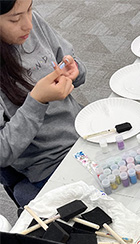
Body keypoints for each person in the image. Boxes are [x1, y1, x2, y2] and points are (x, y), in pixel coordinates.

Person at [0, 0, 86, 206]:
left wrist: (74, 72)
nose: (28, 24)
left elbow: (73, 64)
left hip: (84, 132)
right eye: (15, 19)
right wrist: (37, 101)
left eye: (30, 9)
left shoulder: (32, 24)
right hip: (51, 162)